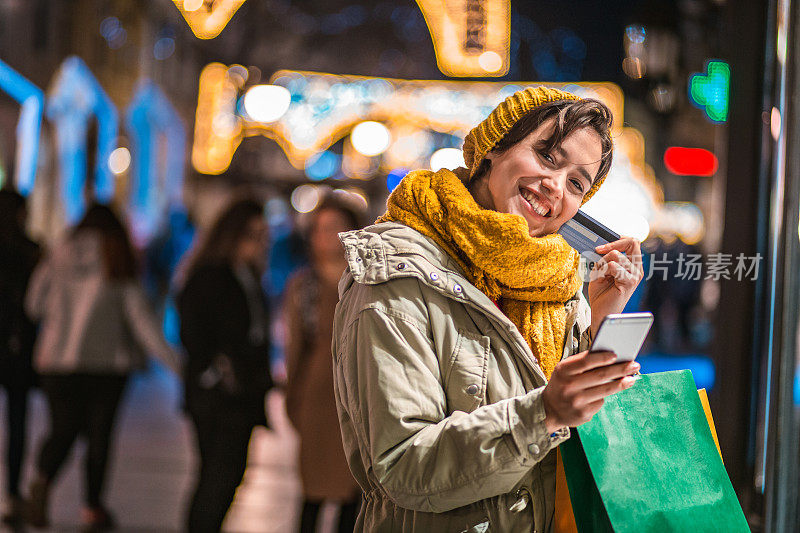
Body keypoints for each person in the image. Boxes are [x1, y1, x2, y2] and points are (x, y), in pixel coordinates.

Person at [332, 87, 645, 532]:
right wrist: (545, 414)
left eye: (577, 183)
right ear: (493, 148)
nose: (555, 186)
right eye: (547, 157)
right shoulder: (397, 273)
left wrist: (602, 320)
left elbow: (573, 440)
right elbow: (404, 467)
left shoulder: (556, 283)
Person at [24, 203, 180, 531]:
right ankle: (93, 508)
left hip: (57, 361)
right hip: (108, 365)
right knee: (99, 436)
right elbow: (142, 321)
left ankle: (42, 479)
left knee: (62, 428)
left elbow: (34, 304)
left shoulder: (59, 253)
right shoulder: (116, 256)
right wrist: (177, 364)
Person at [177, 198, 273, 533]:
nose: (259, 243)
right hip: (217, 395)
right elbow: (192, 329)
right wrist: (217, 368)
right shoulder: (210, 274)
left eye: (263, 235)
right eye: (252, 235)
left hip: (243, 393)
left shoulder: (248, 274)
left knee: (228, 474)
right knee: (218, 474)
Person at [284, 196, 363, 533]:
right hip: (318, 396)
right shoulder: (304, 286)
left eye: (335, 228)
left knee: (355, 493)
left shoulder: (368, 283)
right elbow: (295, 351)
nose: (327, 237)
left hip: (359, 397)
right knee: (312, 491)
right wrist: (293, 402)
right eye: (320, 229)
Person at [0, 190, 40, 525]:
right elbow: (38, 306)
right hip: (18, 347)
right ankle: (12, 492)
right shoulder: (32, 252)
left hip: (14, 345)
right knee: (17, 422)